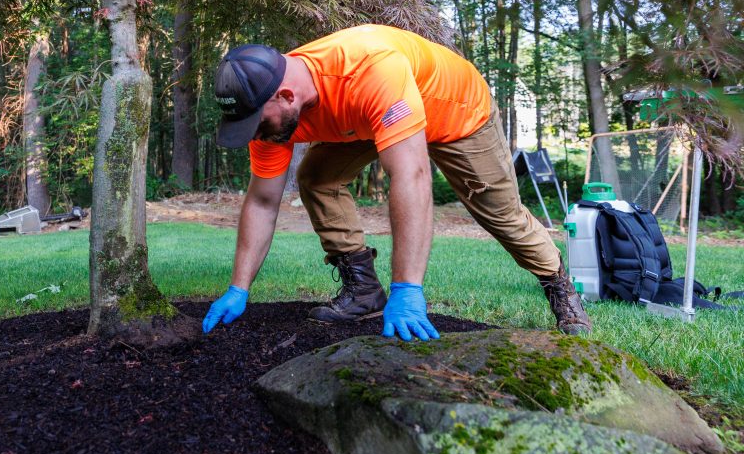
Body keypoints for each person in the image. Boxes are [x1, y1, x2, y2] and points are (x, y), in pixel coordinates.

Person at [202, 24, 591, 341]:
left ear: (286, 95)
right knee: (317, 177)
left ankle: (558, 284)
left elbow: (411, 175)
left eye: (256, 123)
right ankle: (364, 291)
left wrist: (408, 288)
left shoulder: (368, 70)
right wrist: (239, 288)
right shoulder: (272, 116)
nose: (255, 133)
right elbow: (263, 201)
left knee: (500, 214)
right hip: (369, 120)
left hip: (456, 114)